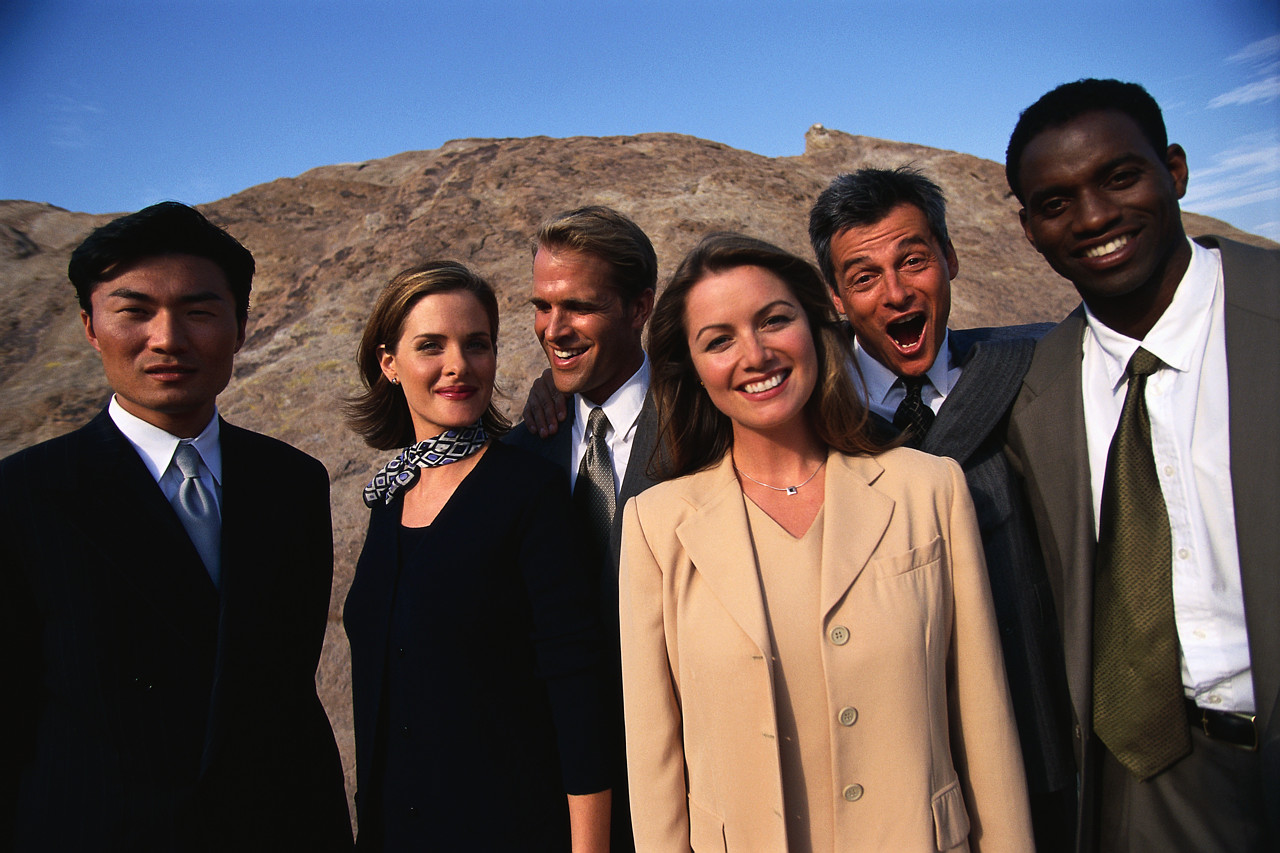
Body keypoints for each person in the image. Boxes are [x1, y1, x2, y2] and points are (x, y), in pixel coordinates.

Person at [619, 232, 1034, 851]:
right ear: (693, 369)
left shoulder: (928, 489)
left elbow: (985, 723)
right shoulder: (656, 527)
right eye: (719, 340)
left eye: (774, 320)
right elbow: (654, 764)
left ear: (816, 328)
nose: (755, 354)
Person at [0, 201, 352, 851]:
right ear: (90, 326)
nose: (167, 339)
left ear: (240, 326)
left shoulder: (291, 483)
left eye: (198, 311)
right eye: (135, 311)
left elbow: (287, 695)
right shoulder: (22, 497)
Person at [1004, 78, 1279, 851]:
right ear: (1029, 229)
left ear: (1175, 170)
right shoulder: (1033, 396)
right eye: (1056, 203)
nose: (1094, 217)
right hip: (1155, 784)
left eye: (1120, 177)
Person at [809, 166, 1076, 850]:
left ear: (950, 258)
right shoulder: (806, 415)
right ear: (835, 296)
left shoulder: (1033, 376)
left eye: (914, 260)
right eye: (864, 277)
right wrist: (560, 391)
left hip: (1037, 737)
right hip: (887, 771)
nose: (896, 292)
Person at [343, 261, 612, 852]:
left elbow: (577, 692)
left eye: (476, 344)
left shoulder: (529, 491)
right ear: (389, 363)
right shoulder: (388, 500)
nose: (458, 365)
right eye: (431, 346)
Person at [505, 205, 659, 851]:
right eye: (542, 306)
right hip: (558, 798)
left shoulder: (709, 425)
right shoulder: (519, 454)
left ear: (639, 307)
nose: (554, 329)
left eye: (579, 307)